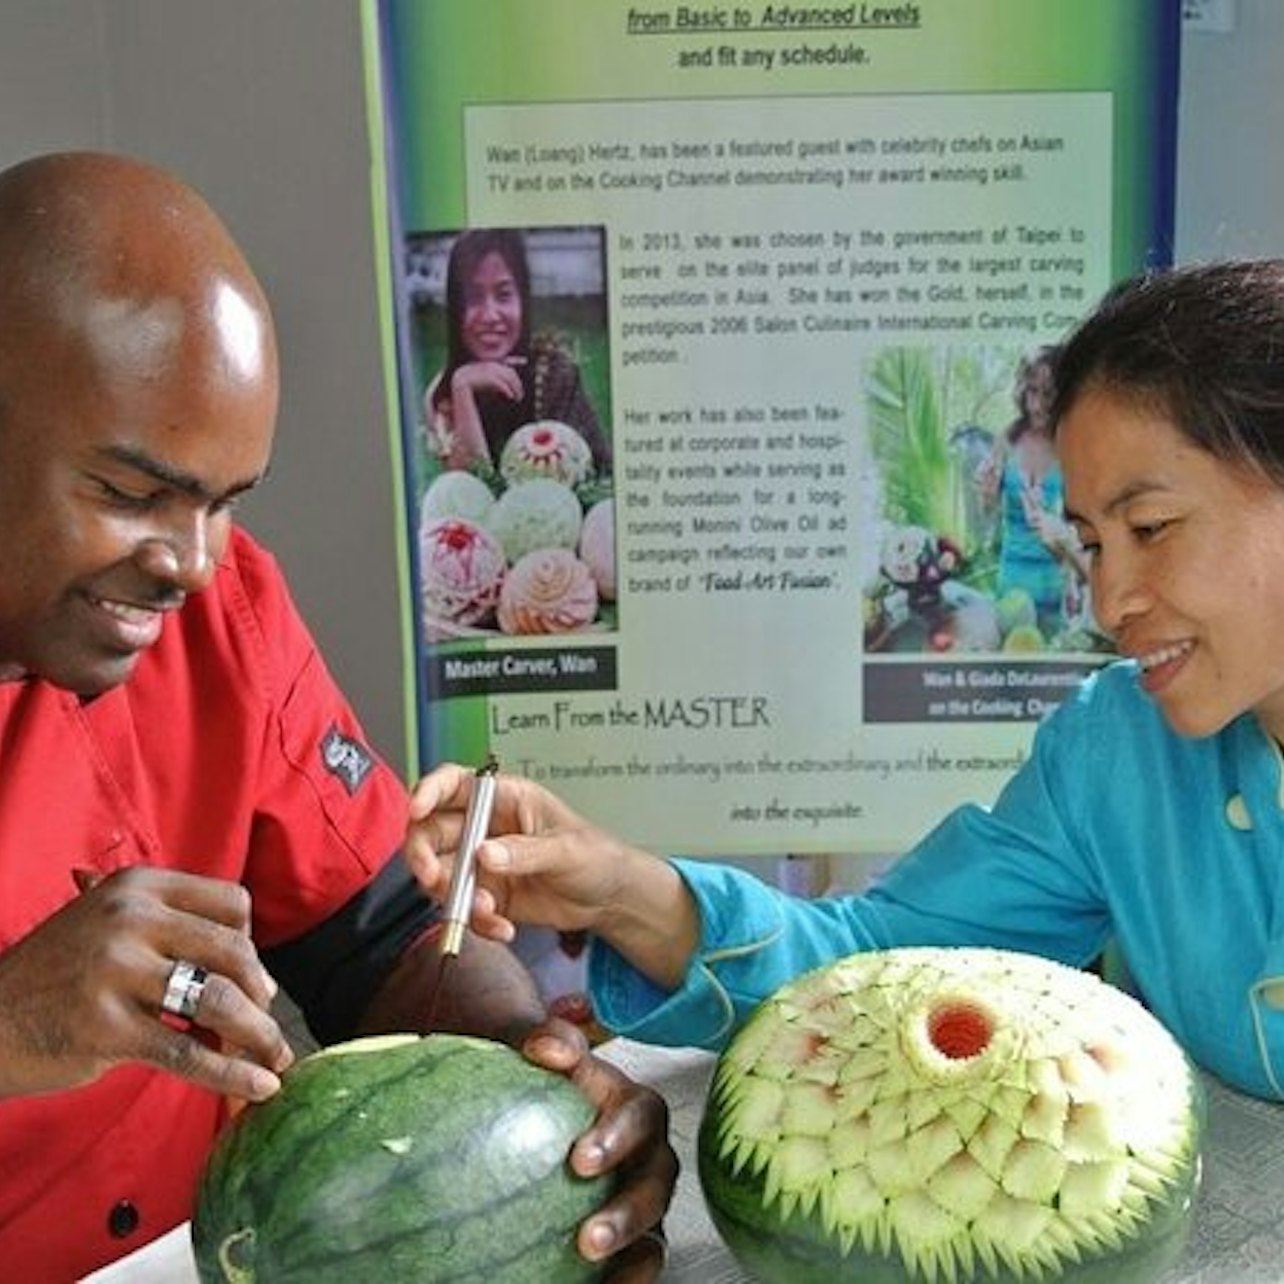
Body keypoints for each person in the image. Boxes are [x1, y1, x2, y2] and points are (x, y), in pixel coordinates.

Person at [0, 152, 672, 1281]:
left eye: (223, 502)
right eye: (128, 494)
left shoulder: (224, 612)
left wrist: (531, 1083)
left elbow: (385, 939)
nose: (193, 564)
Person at [409, 260, 1284, 1104]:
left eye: (1153, 526)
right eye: (1092, 544)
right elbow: (882, 964)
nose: (1109, 600)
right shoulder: (1116, 751)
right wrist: (621, 889)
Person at [423, 227, 612, 474]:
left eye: (503, 295)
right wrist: (463, 387)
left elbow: (584, 481)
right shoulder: (441, 395)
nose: (490, 316)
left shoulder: (553, 374)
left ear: (522, 300)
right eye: (473, 298)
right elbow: (471, 491)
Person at [975, 344, 1087, 634]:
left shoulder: (1074, 444)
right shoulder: (1007, 440)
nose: (1037, 404)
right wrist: (986, 498)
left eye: (1047, 394)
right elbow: (988, 526)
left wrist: (1076, 579)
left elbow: (1085, 530)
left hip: (1058, 584)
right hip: (1012, 582)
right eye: (1031, 392)